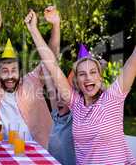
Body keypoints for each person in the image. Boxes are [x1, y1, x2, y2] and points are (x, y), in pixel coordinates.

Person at [24, 9, 136, 164]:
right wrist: (33, 29)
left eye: (92, 72)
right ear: (76, 80)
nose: (88, 77)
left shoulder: (113, 97)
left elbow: (133, 61)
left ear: (100, 76)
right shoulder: (75, 104)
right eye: (82, 74)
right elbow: (51, 64)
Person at [0, 6, 60, 148]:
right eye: (5, 70)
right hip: (3, 151)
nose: (10, 75)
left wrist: (55, 25)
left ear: (20, 71)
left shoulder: (32, 81)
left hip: (36, 150)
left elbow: (50, 59)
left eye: (13, 70)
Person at [42, 64, 76, 164]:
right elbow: (51, 89)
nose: (59, 99)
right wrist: (45, 66)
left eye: (64, 97)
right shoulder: (55, 115)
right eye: (58, 96)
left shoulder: (74, 119)